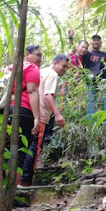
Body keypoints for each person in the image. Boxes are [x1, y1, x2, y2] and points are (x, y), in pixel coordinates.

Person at [19, 54, 70, 187]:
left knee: (25, 145)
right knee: (34, 147)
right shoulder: (52, 75)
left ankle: (19, 178)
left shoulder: (40, 72)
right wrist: (57, 114)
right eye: (63, 66)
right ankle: (25, 181)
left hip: (30, 112)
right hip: (40, 115)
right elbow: (48, 96)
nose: (64, 70)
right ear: (55, 63)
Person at [11, 44, 42, 186]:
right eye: (38, 55)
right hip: (22, 111)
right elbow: (32, 91)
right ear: (27, 55)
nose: (40, 58)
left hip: (3, 111)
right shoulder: (31, 68)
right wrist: (37, 117)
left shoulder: (10, 67)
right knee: (19, 151)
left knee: (2, 150)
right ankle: (11, 193)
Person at [83, 35, 106, 117]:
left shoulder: (105, 55)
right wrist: (70, 37)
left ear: (101, 42)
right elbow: (75, 52)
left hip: (103, 82)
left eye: (98, 40)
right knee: (90, 103)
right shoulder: (87, 54)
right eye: (94, 40)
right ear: (91, 42)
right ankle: (91, 123)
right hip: (90, 82)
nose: (96, 42)